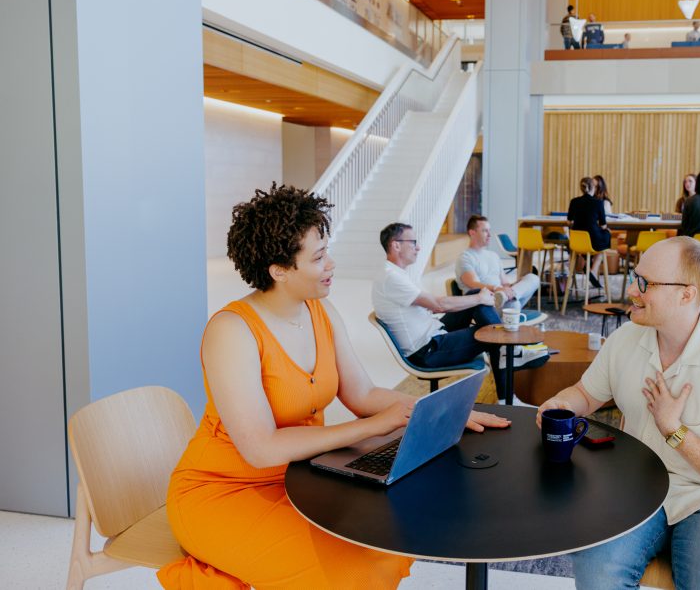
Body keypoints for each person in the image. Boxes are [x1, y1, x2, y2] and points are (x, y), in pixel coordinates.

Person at [159, 185, 509, 589]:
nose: (332, 264)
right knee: (349, 573)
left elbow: (362, 394)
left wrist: (443, 411)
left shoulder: (319, 310)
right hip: (223, 490)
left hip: (301, 476)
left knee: (391, 535)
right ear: (279, 270)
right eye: (319, 256)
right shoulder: (231, 331)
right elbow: (260, 449)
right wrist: (373, 427)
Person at [536, 237, 700, 588]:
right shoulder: (626, 340)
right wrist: (563, 403)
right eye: (635, 276)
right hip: (640, 488)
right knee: (597, 574)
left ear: (686, 294)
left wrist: (672, 428)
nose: (631, 288)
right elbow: (587, 393)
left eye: (645, 283)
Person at [372, 222, 499, 370]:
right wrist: (480, 299)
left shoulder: (397, 273)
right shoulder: (391, 277)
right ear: (396, 246)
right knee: (492, 333)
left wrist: (477, 298)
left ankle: (507, 347)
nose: (418, 247)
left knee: (476, 294)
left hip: (433, 332)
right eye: (413, 242)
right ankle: (509, 351)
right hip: (427, 351)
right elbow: (438, 305)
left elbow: (433, 306)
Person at [456, 214, 540, 310]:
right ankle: (505, 298)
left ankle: (504, 297)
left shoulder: (493, 255)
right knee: (513, 305)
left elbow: (505, 283)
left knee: (533, 278)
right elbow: (474, 285)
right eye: (485, 231)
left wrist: (514, 286)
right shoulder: (465, 258)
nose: (489, 235)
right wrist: (496, 288)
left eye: (489, 230)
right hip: (484, 305)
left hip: (502, 299)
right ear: (472, 233)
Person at [568, 177, 612, 289]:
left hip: (577, 241)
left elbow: (569, 222)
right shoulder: (598, 203)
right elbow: (603, 225)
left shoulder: (574, 201)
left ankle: (589, 265)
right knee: (606, 235)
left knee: (591, 242)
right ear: (593, 188)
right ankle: (592, 269)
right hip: (593, 240)